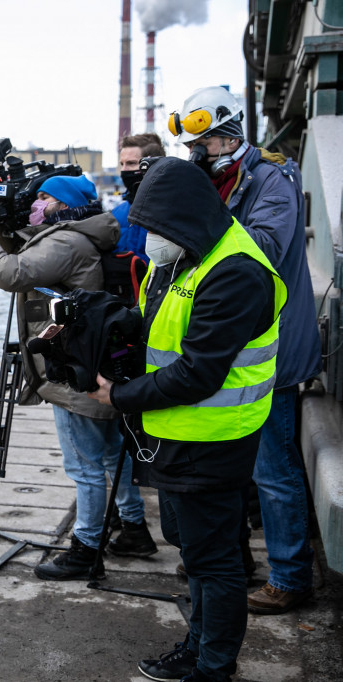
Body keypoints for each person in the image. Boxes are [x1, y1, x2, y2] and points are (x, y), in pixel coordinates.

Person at [88, 157, 286, 682]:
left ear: (182, 217)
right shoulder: (182, 254)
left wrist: (121, 396)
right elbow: (156, 327)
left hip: (213, 439)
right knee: (193, 552)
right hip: (176, 431)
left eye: (155, 226)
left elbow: (199, 372)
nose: (148, 237)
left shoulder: (236, 270)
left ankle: (214, 666)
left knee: (215, 561)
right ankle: (196, 647)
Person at [172, 85, 322, 615]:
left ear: (230, 134)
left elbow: (260, 254)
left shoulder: (270, 181)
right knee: (231, 464)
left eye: (206, 142)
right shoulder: (226, 180)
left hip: (271, 353)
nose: (200, 153)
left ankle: (290, 577)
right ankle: (235, 559)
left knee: (273, 470)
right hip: (235, 349)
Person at [0, 173, 157, 582]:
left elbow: (9, 273)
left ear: (61, 203)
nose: (36, 204)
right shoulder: (81, 233)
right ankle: (134, 528)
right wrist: (3, 225)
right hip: (93, 359)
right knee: (108, 454)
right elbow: (28, 251)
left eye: (43, 198)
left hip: (74, 369)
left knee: (84, 466)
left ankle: (86, 549)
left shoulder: (66, 241)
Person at [111, 132, 166, 259]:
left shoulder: (172, 211)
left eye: (131, 163)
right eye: (122, 164)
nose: (124, 170)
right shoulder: (116, 213)